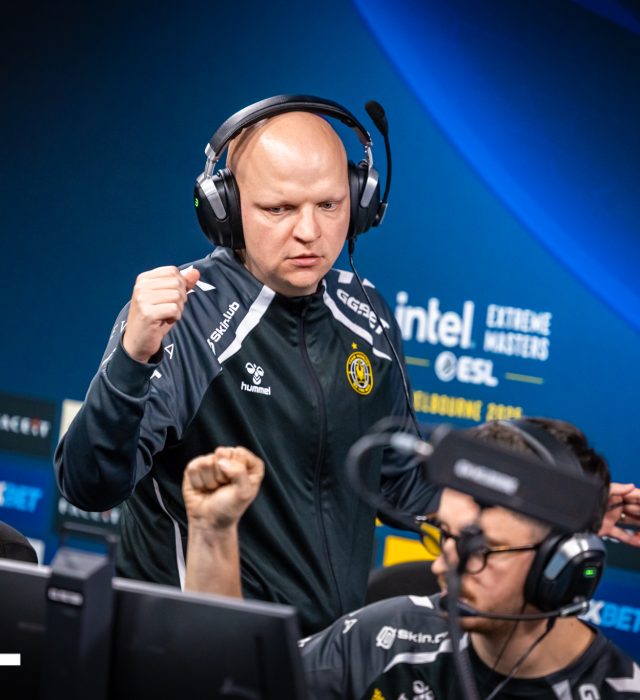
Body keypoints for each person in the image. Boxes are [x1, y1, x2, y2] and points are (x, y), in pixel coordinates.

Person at [54, 96, 440, 635]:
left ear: (361, 200)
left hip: (326, 660)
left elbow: (399, 484)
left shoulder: (366, 311)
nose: (309, 231)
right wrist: (132, 359)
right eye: (279, 209)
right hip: (192, 651)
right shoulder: (187, 319)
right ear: (226, 210)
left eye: (330, 205)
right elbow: (88, 485)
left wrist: (528, 501)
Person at [182, 418, 640, 699]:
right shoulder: (387, 636)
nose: (442, 567)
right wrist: (213, 531)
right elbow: (232, 683)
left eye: (480, 549)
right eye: (444, 536)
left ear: (559, 566)